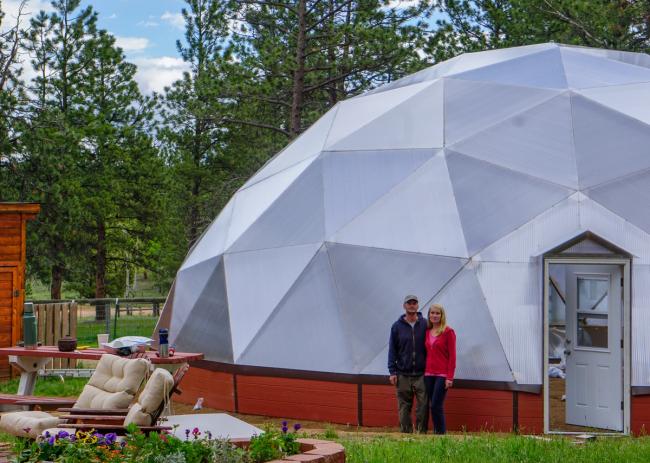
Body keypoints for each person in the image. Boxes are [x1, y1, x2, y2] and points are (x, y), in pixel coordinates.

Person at [388, 294, 428, 433]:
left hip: (422, 373)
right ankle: (406, 434)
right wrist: (392, 371)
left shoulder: (425, 324)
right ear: (404, 306)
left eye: (414, 303)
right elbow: (392, 349)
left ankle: (421, 433)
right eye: (409, 303)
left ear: (418, 305)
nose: (412, 305)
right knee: (404, 406)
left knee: (423, 405)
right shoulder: (396, 327)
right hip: (403, 373)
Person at [424, 303, 456, 435]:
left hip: (442, 375)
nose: (434, 315)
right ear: (429, 315)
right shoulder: (426, 332)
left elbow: (452, 356)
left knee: (436, 405)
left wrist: (450, 377)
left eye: (437, 313)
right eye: (432, 313)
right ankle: (436, 432)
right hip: (428, 374)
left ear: (442, 315)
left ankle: (441, 435)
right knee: (431, 405)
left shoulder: (448, 332)